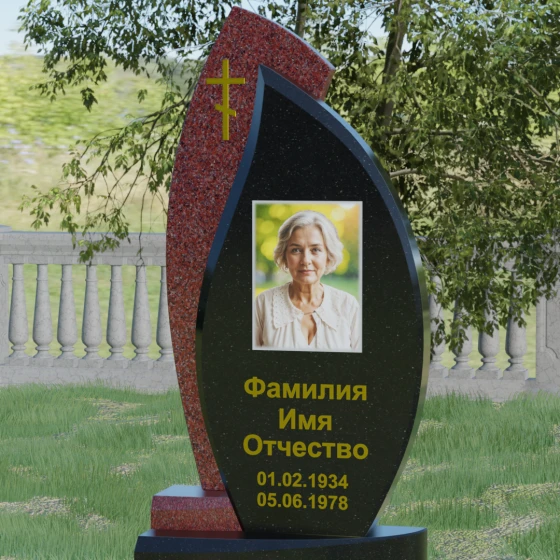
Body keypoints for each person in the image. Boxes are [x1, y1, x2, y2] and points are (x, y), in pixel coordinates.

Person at [254, 210, 361, 351]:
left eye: (315, 249)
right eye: (296, 250)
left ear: (328, 256)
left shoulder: (348, 305)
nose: (305, 260)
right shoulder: (263, 304)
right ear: (284, 256)